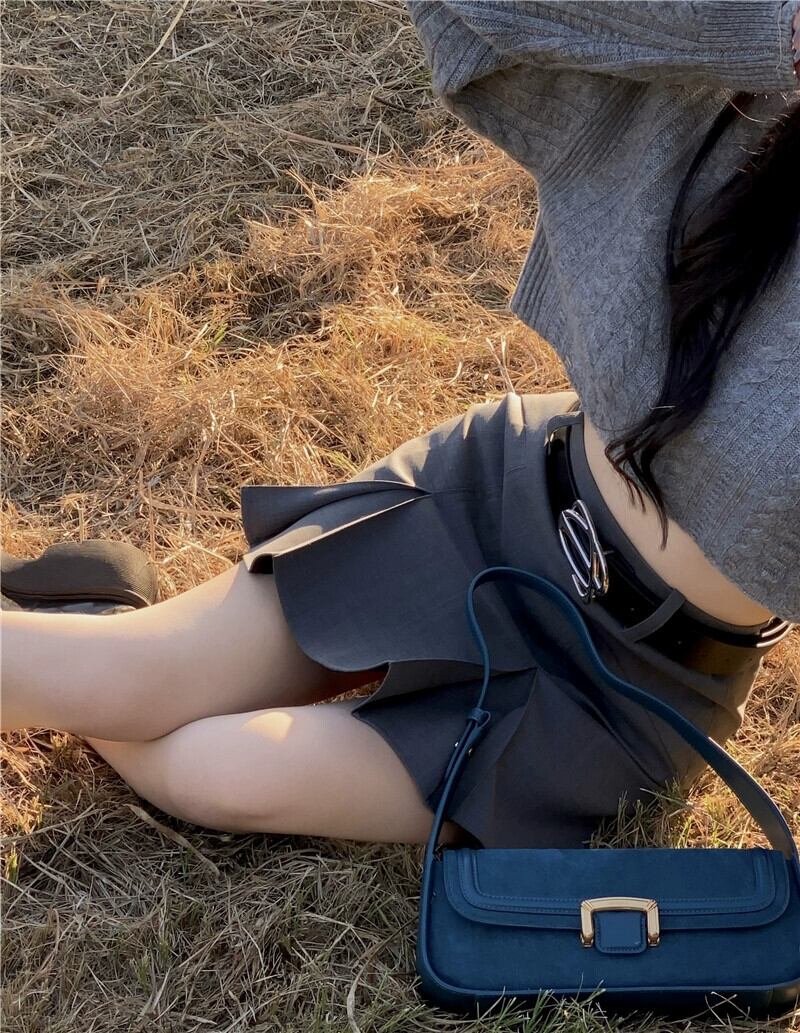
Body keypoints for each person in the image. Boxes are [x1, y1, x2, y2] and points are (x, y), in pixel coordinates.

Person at [2, 1, 799, 851]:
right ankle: (113, 639)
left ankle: (103, 610)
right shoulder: (748, 99)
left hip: (623, 695)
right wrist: (777, 31)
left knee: (215, 772)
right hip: (502, 505)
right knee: (132, 680)